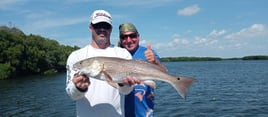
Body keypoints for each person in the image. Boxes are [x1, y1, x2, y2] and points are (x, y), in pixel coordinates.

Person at [66, 10, 140, 117]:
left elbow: (126, 91)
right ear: (90, 27)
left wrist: (124, 84)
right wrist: (79, 88)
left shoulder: (123, 54)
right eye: (97, 26)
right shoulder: (76, 56)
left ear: (110, 29)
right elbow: (72, 95)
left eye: (105, 26)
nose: (102, 29)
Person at [118, 23, 166, 117]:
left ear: (138, 36)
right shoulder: (116, 55)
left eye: (132, 36)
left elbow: (164, 72)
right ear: (120, 39)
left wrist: (155, 61)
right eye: (124, 37)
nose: (129, 40)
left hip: (144, 113)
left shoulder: (148, 53)